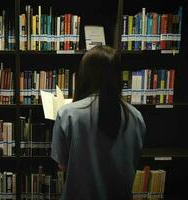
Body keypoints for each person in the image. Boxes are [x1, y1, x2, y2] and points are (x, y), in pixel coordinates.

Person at [51, 45, 146, 200]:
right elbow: (133, 162)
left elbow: (63, 165)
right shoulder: (136, 117)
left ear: (83, 76)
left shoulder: (68, 114)